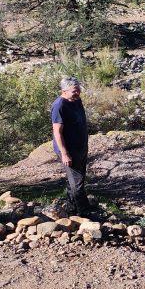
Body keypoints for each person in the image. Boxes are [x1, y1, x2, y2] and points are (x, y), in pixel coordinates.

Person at [51, 77, 90, 215]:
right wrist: (64, 153)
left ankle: (72, 208)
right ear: (64, 91)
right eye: (74, 91)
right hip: (69, 150)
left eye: (78, 90)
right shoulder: (59, 106)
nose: (78, 93)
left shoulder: (76, 100)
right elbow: (57, 132)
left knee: (76, 180)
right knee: (77, 183)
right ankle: (84, 212)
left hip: (80, 147)